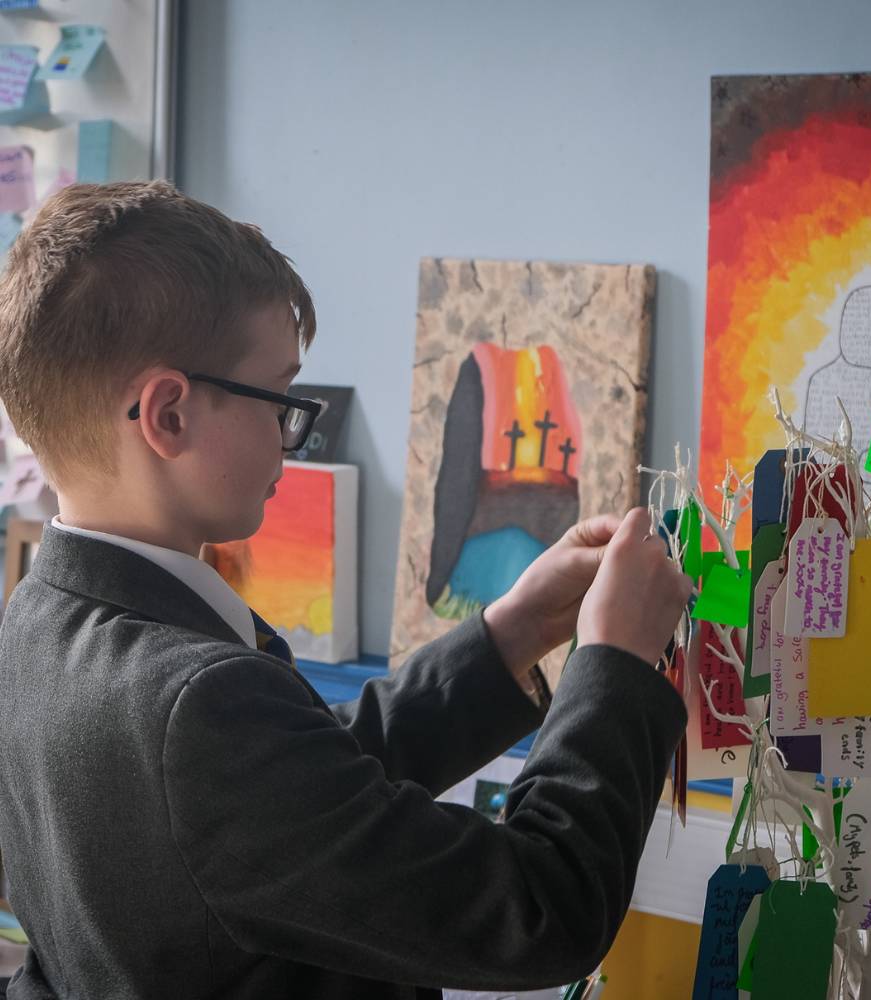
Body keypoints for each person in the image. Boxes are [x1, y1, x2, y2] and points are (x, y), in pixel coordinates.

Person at [0, 182, 690, 1000]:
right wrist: (613, 661)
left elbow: (307, 794)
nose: (294, 434)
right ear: (169, 416)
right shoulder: (198, 705)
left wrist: (514, 629)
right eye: (283, 400)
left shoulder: (36, 622)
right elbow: (540, 906)